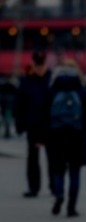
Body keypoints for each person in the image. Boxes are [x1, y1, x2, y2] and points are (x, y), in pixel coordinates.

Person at [45, 59, 86, 217]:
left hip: (56, 136)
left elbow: (44, 116)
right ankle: (71, 207)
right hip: (77, 136)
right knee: (75, 172)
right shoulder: (82, 92)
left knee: (58, 170)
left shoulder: (52, 92)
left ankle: (59, 194)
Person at [14, 50, 51, 198]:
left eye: (42, 65)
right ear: (33, 65)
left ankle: (54, 185)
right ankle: (33, 187)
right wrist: (20, 125)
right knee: (32, 158)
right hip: (33, 125)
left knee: (52, 158)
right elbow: (19, 105)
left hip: (49, 124)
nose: (40, 68)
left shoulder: (51, 79)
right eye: (38, 65)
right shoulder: (26, 81)